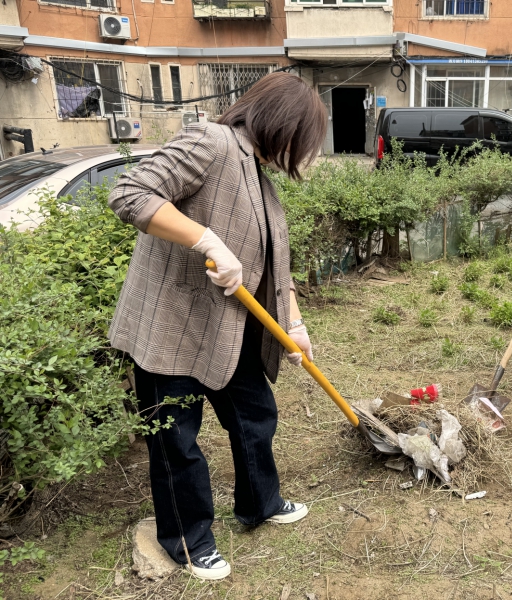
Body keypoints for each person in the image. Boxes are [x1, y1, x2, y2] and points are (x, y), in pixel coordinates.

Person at [107, 73, 328, 580]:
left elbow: (274, 267)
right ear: (281, 124)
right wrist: (205, 239)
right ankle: (188, 542)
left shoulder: (258, 173)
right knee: (177, 442)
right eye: (302, 140)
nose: (300, 153)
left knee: (255, 417)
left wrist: (294, 323)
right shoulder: (212, 141)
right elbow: (130, 192)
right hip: (171, 329)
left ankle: (260, 503)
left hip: (230, 332)